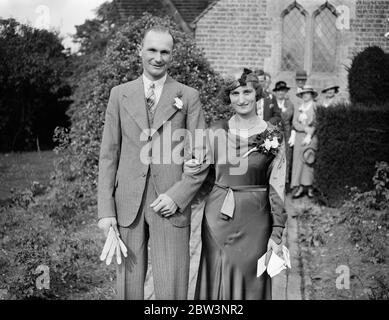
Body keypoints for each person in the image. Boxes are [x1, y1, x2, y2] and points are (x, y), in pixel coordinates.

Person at [97, 25, 208, 300]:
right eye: (152, 50)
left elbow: (201, 156)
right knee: (127, 286)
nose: (158, 58)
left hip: (170, 204)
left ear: (172, 56)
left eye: (165, 52)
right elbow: (108, 155)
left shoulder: (188, 96)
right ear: (140, 51)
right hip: (127, 205)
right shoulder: (119, 94)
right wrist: (105, 210)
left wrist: (178, 196)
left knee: (171, 284)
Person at [194, 68, 287, 300]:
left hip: (256, 219)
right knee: (217, 279)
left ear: (257, 94)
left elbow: (277, 186)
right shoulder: (215, 131)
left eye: (247, 92)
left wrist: (277, 231)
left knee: (252, 282)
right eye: (235, 93)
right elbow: (200, 176)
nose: (242, 99)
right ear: (228, 97)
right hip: (218, 218)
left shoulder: (273, 135)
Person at [288, 85, 318, 198]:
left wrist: (309, 133)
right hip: (299, 136)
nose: (305, 95)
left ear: (311, 95)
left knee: (308, 160)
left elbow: (317, 122)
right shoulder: (299, 107)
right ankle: (300, 187)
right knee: (298, 162)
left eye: (308, 93)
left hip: (310, 136)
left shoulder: (315, 107)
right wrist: (304, 128)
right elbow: (295, 123)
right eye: (303, 94)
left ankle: (309, 188)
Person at [273, 81, 294, 187]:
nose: (281, 93)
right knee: (274, 155)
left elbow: (289, 118)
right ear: (276, 92)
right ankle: (273, 180)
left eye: (283, 90)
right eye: (279, 91)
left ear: (285, 92)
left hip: (286, 132)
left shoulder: (289, 103)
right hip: (274, 131)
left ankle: (284, 181)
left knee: (286, 155)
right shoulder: (272, 102)